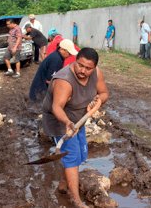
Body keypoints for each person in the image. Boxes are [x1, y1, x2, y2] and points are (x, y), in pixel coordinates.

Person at [42, 48, 109, 207]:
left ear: (94, 67)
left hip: (79, 119)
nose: (83, 71)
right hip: (60, 120)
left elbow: (105, 93)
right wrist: (67, 123)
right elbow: (56, 107)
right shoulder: (64, 81)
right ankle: (76, 200)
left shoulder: (97, 73)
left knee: (81, 155)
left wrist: (98, 100)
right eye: (80, 65)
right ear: (75, 60)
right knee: (72, 157)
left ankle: (63, 184)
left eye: (88, 68)